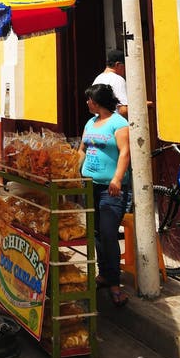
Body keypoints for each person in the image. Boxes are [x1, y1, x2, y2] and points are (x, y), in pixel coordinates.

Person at [78, 82, 130, 307]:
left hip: (111, 189)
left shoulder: (119, 123)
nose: (87, 102)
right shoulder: (90, 122)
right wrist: (70, 171)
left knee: (109, 233)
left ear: (97, 101)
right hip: (90, 186)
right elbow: (81, 150)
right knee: (97, 232)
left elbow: (125, 152)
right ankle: (104, 274)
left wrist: (117, 178)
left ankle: (115, 282)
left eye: (89, 99)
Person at [92, 49, 128, 117]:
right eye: (124, 66)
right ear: (118, 65)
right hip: (115, 124)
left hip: (100, 123)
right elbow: (123, 110)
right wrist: (142, 106)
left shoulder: (97, 79)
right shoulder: (117, 79)